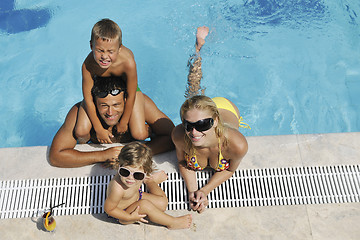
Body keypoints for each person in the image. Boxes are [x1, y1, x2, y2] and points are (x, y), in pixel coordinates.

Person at [172, 27, 249, 213]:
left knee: (196, 92)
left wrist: (205, 190)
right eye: (188, 125)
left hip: (226, 107)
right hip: (201, 110)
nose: (194, 132)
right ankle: (197, 49)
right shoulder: (180, 135)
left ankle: (199, 48)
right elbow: (183, 163)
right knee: (193, 90)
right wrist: (193, 191)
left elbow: (230, 170)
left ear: (215, 121)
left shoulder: (236, 144)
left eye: (202, 125)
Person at [49, 75, 174, 168]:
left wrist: (137, 152)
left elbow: (172, 136)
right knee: (81, 133)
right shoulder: (79, 113)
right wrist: (102, 155)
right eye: (103, 105)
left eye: (116, 105)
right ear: (94, 104)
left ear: (126, 101)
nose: (110, 112)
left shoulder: (141, 107)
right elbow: (56, 157)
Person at [75, 18, 148, 145]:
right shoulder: (88, 66)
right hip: (102, 90)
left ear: (119, 49)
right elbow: (88, 99)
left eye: (110, 51)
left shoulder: (128, 63)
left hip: (125, 90)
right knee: (80, 132)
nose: (104, 56)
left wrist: (124, 122)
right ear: (91, 46)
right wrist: (98, 129)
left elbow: (131, 94)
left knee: (139, 134)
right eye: (100, 50)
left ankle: (149, 129)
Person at [104, 142, 192, 229]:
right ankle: (172, 223)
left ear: (145, 172)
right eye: (125, 172)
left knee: (162, 203)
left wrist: (144, 179)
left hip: (136, 197)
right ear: (119, 167)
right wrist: (129, 217)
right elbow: (109, 209)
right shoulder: (118, 189)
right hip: (123, 214)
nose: (130, 178)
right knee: (145, 205)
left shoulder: (134, 175)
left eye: (138, 175)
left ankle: (150, 181)